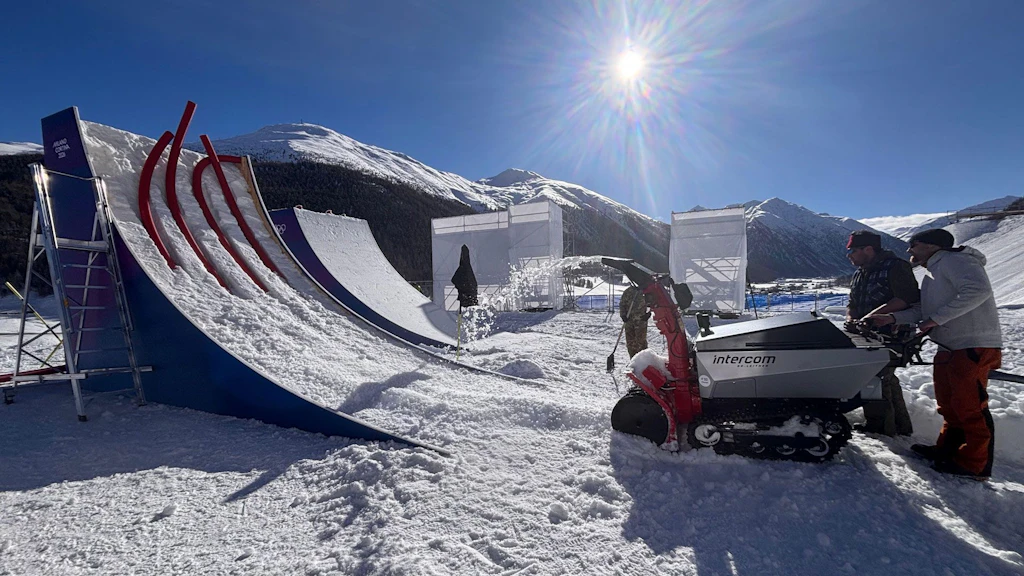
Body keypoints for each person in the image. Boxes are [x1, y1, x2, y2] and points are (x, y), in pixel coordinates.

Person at [867, 228, 1002, 480]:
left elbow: (977, 290)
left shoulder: (956, 260)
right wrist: (892, 318)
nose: (909, 250)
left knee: (970, 406)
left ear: (931, 246)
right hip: (949, 345)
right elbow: (923, 311)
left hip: (972, 343)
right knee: (949, 404)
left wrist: (935, 320)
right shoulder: (932, 272)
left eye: (914, 245)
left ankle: (975, 464)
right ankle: (948, 451)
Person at [844, 230, 919, 436]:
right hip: (866, 334)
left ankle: (881, 428)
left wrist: (871, 316)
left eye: (852, 251)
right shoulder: (859, 273)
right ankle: (900, 426)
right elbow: (853, 303)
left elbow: (906, 298)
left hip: (892, 332)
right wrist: (851, 319)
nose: (849, 256)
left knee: (874, 376)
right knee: (885, 377)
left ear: (868, 249)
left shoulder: (896, 267)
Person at [619, 284, 650, 358]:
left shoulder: (645, 291)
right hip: (629, 321)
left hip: (641, 321)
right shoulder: (628, 291)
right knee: (630, 342)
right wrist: (623, 315)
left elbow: (651, 304)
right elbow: (622, 304)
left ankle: (644, 360)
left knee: (641, 342)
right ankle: (633, 360)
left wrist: (648, 313)